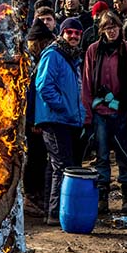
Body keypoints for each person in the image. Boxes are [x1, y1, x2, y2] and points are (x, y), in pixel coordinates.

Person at [82, 11, 127, 214]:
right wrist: (88, 116)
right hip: (100, 112)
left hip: (123, 111)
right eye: (107, 27)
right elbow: (87, 84)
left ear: (120, 28)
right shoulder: (93, 50)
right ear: (101, 30)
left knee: (124, 157)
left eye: (114, 26)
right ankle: (102, 197)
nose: (111, 31)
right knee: (101, 157)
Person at [34, 17, 85, 226]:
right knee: (62, 165)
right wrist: (62, 107)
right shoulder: (54, 54)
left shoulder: (72, 58)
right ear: (62, 33)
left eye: (77, 34)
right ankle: (55, 213)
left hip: (69, 119)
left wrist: (79, 113)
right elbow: (44, 85)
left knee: (56, 166)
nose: (73, 36)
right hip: (55, 119)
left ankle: (52, 210)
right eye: (69, 32)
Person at [24, 18, 56, 217]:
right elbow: (30, 93)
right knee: (35, 159)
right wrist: (33, 120)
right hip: (33, 118)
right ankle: (31, 197)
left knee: (40, 158)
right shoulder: (29, 62)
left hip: (38, 117)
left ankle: (37, 196)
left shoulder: (39, 59)